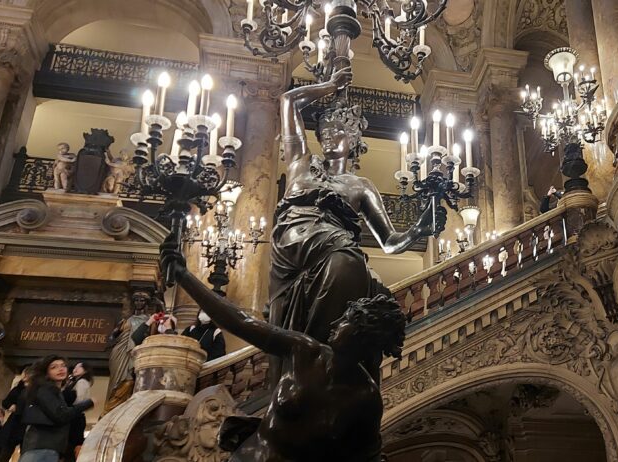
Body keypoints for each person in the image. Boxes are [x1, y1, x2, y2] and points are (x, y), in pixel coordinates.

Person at [265, 67, 436, 382]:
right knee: (342, 264)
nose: (329, 135)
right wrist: (329, 85)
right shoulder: (300, 159)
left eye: (339, 129)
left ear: (354, 137)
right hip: (290, 248)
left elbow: (389, 241)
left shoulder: (361, 186)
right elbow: (288, 100)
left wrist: (418, 230)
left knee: (349, 263)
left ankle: (319, 360)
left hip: (332, 249)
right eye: (325, 129)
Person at [161, 243, 407, 462]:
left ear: (362, 335)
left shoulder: (365, 398)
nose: (335, 324)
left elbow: (365, 456)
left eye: (346, 321)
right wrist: (185, 276)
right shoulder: (305, 350)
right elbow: (241, 322)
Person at [19, 356, 93, 462]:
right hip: (41, 446)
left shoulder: (56, 392)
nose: (61, 369)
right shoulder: (45, 389)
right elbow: (60, 415)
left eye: (63, 366)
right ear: (46, 372)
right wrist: (88, 403)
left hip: (49, 447)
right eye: (54, 367)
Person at [0, 369, 28, 462]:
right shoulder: (18, 389)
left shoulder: (36, 390)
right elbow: (6, 402)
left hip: (27, 422)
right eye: (24, 374)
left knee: (25, 452)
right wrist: (10, 406)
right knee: (6, 451)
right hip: (15, 422)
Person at [62, 363, 92, 461]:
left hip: (75, 417)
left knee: (70, 446)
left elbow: (79, 400)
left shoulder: (82, 382)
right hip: (76, 416)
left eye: (78, 367)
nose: (74, 369)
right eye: (74, 367)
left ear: (85, 370)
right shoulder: (76, 382)